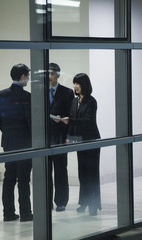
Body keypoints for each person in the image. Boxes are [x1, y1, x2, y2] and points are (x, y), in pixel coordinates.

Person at [0, 63, 33, 222]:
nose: (28, 80)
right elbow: (30, 121)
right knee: (24, 179)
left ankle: (8, 213)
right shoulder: (27, 96)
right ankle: (25, 213)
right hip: (24, 142)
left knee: (9, 178)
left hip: (8, 142)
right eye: (28, 77)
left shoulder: (1, 94)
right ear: (23, 77)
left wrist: (8, 132)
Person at [61, 73, 101, 216]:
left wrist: (69, 121)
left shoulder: (91, 101)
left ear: (84, 85)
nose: (75, 86)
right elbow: (72, 119)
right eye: (74, 83)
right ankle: (84, 202)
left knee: (92, 173)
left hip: (91, 140)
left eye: (77, 83)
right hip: (80, 141)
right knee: (82, 173)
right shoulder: (74, 101)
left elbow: (87, 121)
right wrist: (68, 137)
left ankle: (93, 205)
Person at [48, 63, 74, 212]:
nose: (49, 77)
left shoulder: (67, 93)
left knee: (60, 171)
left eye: (52, 74)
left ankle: (61, 202)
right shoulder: (39, 92)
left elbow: (72, 116)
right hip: (44, 139)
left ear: (58, 75)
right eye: (47, 74)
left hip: (60, 138)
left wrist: (68, 137)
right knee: (45, 172)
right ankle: (46, 201)